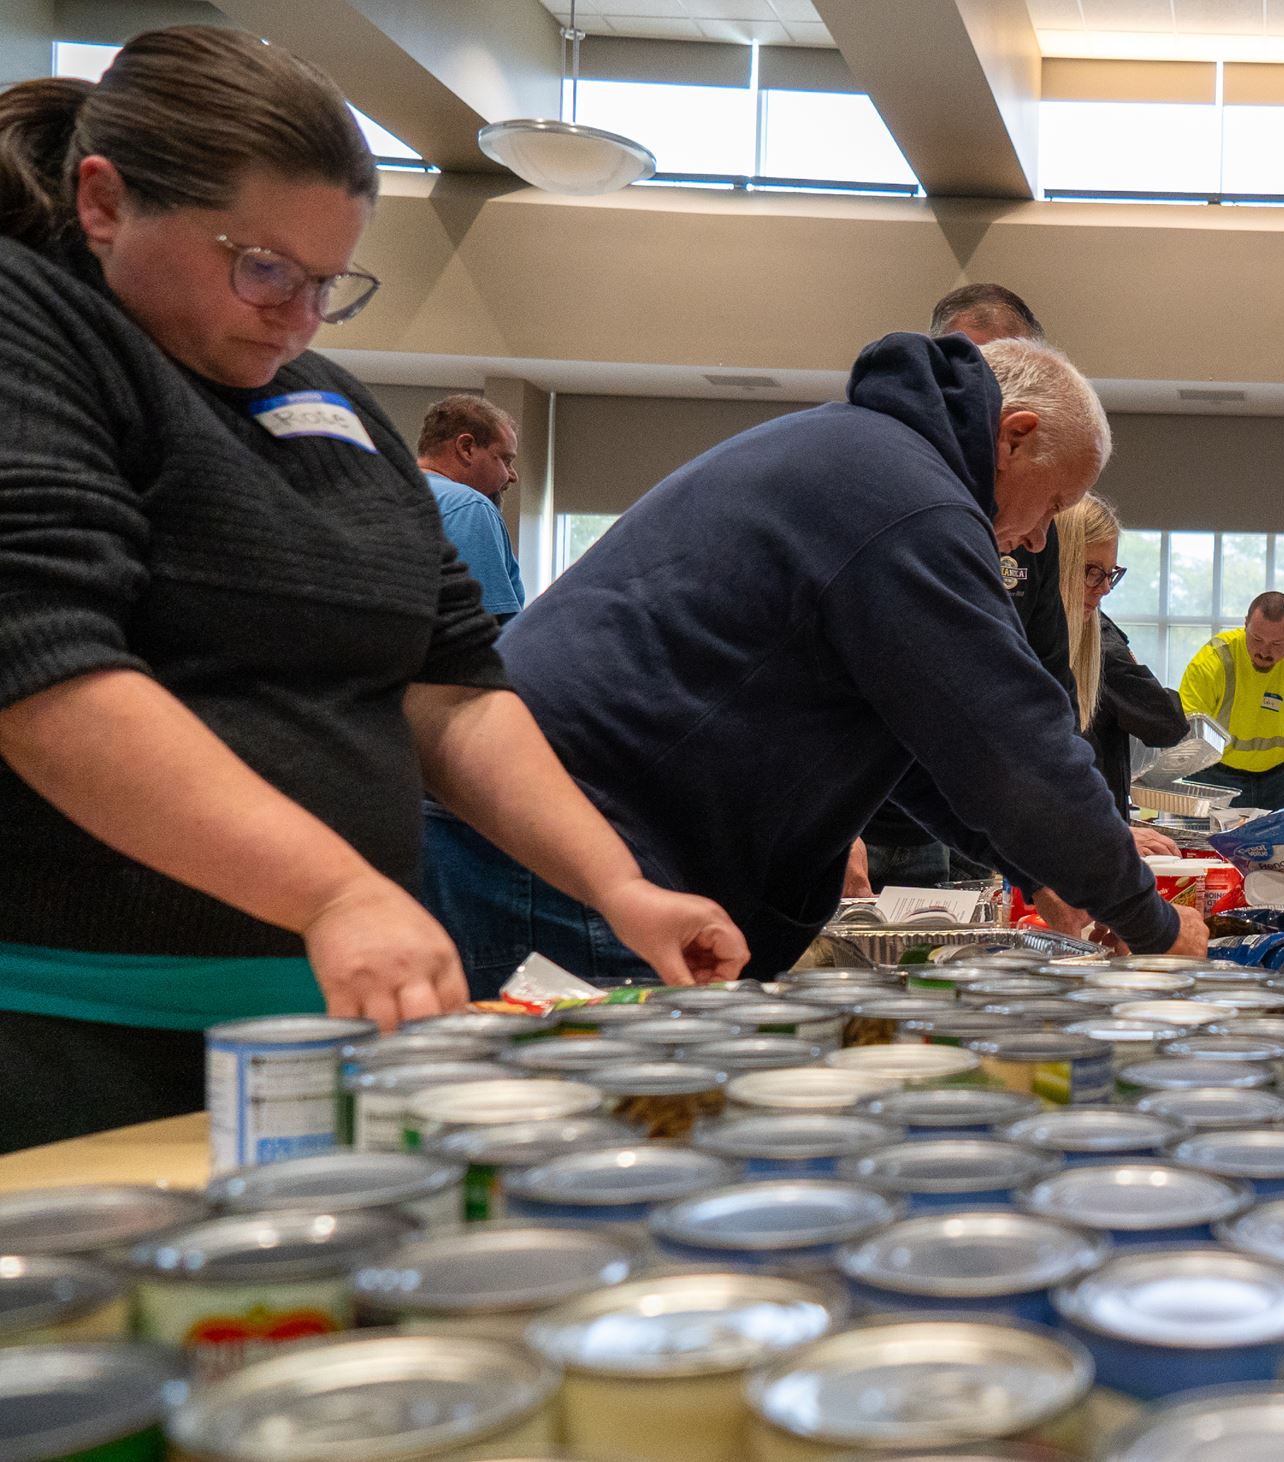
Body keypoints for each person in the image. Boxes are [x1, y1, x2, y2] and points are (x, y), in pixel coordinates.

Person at [0, 29, 741, 1148]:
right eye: (261, 269)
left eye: (326, 283)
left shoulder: (331, 404)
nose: (296, 315)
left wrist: (616, 887)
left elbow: (451, 686)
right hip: (75, 1029)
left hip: (325, 1019)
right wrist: (332, 892)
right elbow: (48, 674)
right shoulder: (36, 329)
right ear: (104, 202)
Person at [421, 332, 1206, 989]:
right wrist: (1153, 924)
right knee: (591, 1139)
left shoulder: (864, 455)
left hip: (546, 824)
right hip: (563, 842)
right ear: (1015, 435)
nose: (1040, 540)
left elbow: (925, 750)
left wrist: (1041, 871)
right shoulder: (914, 503)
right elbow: (1016, 749)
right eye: (1055, 505)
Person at [859, 282, 1069, 890]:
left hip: (954, 817)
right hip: (856, 817)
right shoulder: (885, 477)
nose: (985, 389)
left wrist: (1065, 835)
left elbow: (1042, 683)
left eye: (1009, 371)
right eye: (973, 364)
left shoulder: (1029, 515)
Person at [1065, 494, 1191, 819]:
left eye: (1110, 574)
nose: (1104, 588)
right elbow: (1167, 722)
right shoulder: (1100, 644)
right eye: (1092, 571)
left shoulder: (1095, 637)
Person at [1179, 593, 1284, 810]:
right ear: (1245, 625)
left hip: (1283, 774)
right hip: (1216, 772)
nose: (1265, 652)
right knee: (1208, 843)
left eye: (1277, 643)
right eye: (1257, 639)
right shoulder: (1212, 661)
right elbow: (1186, 737)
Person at [416, 393, 525, 623]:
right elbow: (483, 631)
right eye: (505, 460)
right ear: (467, 448)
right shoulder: (469, 507)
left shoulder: (382, 494)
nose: (512, 476)